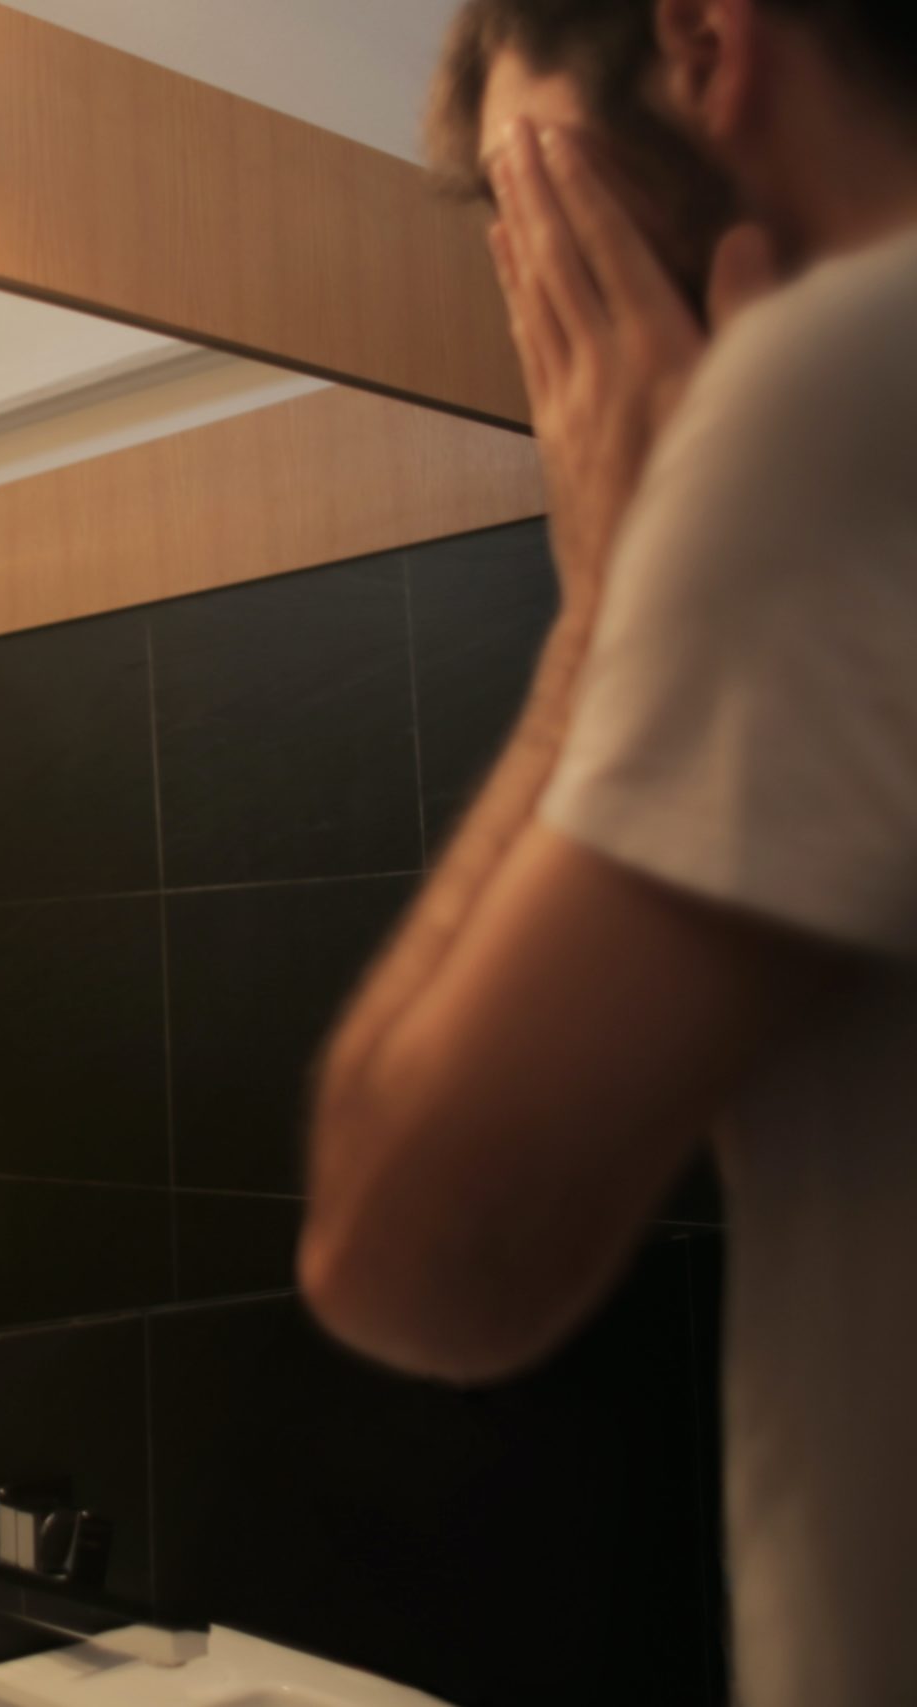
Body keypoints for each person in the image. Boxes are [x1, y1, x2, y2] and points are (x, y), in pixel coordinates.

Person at [298, 3, 917, 1701]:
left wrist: (605, 609)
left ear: (715, 42)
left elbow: (409, 1258)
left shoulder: (839, 379)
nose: (538, 319)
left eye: (550, 222)